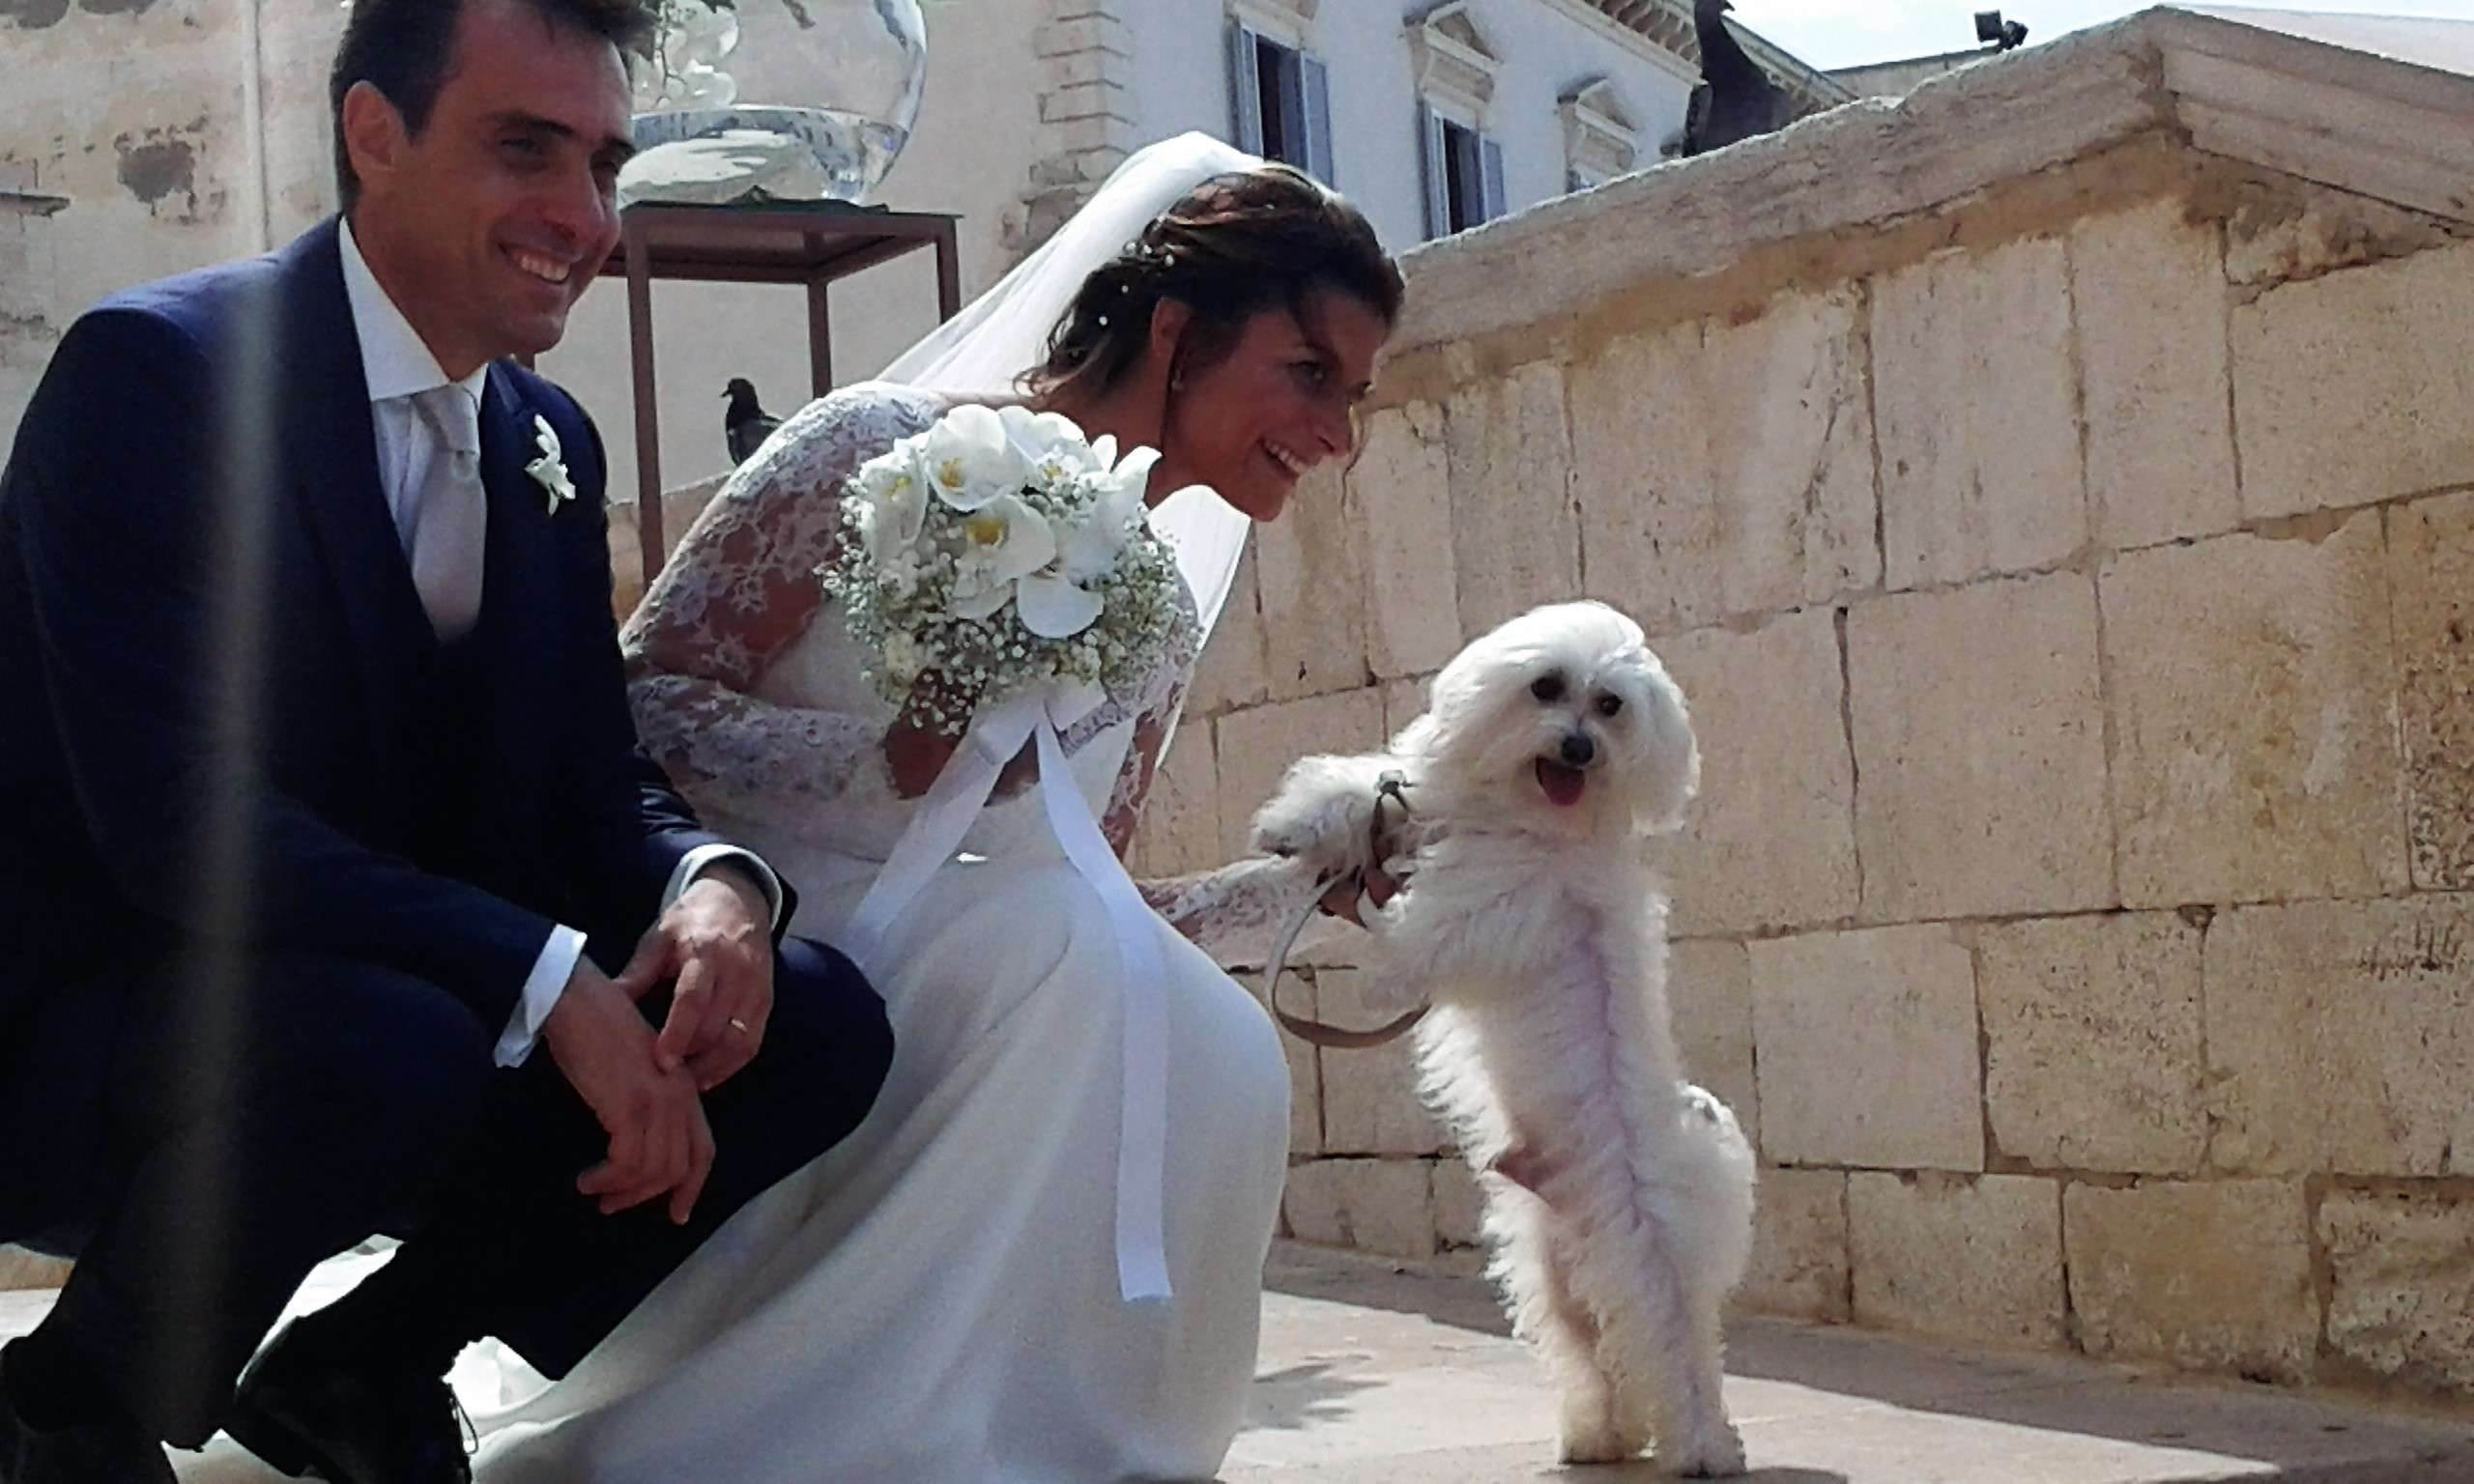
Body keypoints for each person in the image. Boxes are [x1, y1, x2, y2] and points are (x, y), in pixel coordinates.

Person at [0, 1, 892, 1480]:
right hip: (100, 1034)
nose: (582, 216)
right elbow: (174, 825)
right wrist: (540, 976)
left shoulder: (550, 439)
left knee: (809, 1021)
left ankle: (360, 1371)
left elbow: (588, 776)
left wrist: (712, 889)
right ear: (375, 135)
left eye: (603, 164)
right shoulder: (158, 376)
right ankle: (69, 1403)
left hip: (386, 1012)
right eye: (524, 149)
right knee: (401, 1033)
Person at [438, 135, 1405, 1483]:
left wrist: (1296, 892)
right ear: (1177, 331)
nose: (1336, 431)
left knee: (1219, 1040)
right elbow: (637, 707)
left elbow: (1092, 895)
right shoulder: (873, 449)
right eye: (1309, 373)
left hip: (1002, 951)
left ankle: (1059, 1440)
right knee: (1051, 956)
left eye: (1354, 394)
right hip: (762, 928)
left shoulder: (1153, 602)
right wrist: (884, 761)